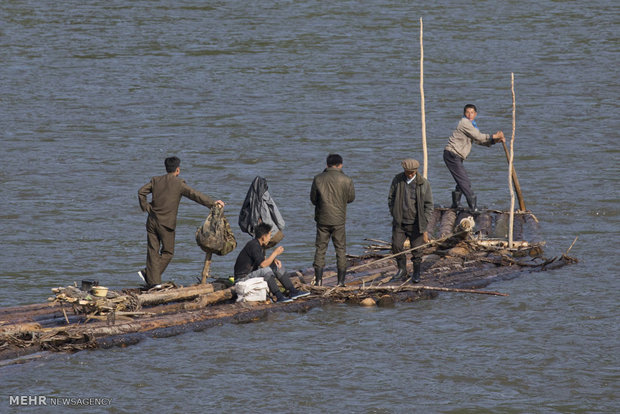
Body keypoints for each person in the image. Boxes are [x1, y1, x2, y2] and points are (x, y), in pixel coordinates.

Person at [138, 156, 224, 288]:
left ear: (166, 168)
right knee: (167, 252)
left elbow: (141, 192)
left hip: (151, 221)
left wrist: (146, 207)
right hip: (166, 224)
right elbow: (195, 195)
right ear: (177, 170)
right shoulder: (179, 184)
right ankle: (152, 279)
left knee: (152, 251)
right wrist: (213, 203)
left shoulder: (156, 180)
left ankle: (151, 278)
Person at [443, 104, 505, 211]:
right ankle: (473, 208)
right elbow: (478, 136)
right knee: (465, 182)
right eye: (467, 112)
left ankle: (455, 205)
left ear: (475, 114)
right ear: (464, 114)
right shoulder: (464, 123)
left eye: (472, 112)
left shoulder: (472, 126)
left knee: (461, 180)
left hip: (456, 156)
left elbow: (479, 141)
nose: (469, 115)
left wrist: (495, 141)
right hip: (452, 154)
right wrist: (495, 136)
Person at [234, 223, 310, 302]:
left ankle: (293, 291)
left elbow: (263, 260)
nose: (270, 238)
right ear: (263, 237)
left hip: (250, 275)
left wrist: (273, 260)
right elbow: (263, 265)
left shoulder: (259, 245)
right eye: (269, 236)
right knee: (266, 270)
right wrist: (275, 253)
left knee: (276, 266)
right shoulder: (253, 245)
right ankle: (279, 296)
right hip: (242, 279)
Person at [310, 153, 355, 287]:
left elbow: (313, 199)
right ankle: (340, 282)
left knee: (320, 249)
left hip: (322, 219)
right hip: (339, 220)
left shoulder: (318, 179)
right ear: (340, 165)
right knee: (340, 249)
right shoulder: (346, 179)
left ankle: (318, 281)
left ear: (327, 164)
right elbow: (351, 198)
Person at [388, 159, 434, 284]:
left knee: (417, 250)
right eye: (407, 172)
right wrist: (394, 213)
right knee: (396, 246)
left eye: (412, 172)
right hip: (400, 222)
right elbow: (391, 198)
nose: (409, 174)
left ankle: (417, 272)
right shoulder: (397, 180)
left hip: (416, 222)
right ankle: (402, 269)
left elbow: (429, 205)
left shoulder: (423, 183)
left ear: (416, 171)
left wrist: (425, 220)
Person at [238, 176, 285, 248]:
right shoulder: (265, 196)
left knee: (260, 254)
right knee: (261, 255)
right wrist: (280, 227)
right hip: (273, 234)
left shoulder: (250, 198)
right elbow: (274, 210)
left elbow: (244, 216)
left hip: (260, 235)